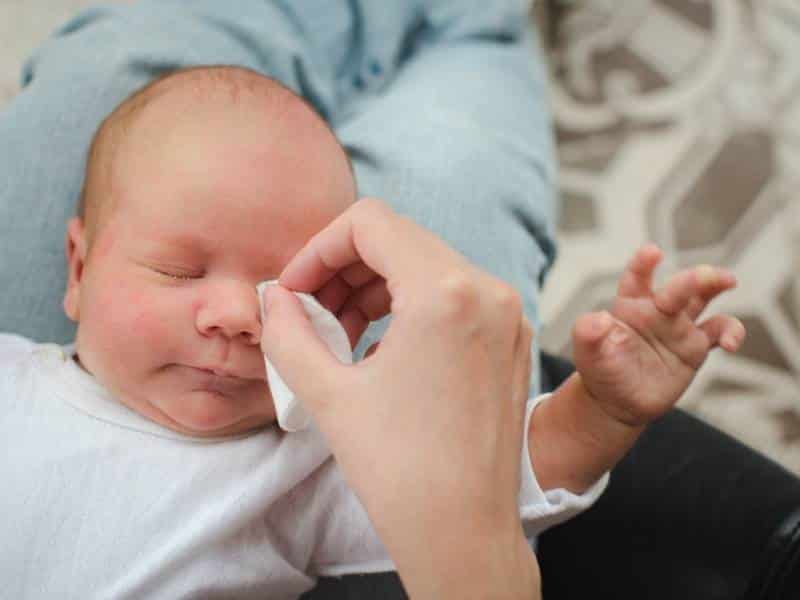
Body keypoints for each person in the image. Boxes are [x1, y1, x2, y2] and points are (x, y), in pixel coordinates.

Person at [0, 64, 744, 598]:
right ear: (77, 268)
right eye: (179, 271)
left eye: (284, 288)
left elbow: (487, 479)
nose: (234, 317)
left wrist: (602, 410)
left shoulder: (300, 470)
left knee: (467, 90)